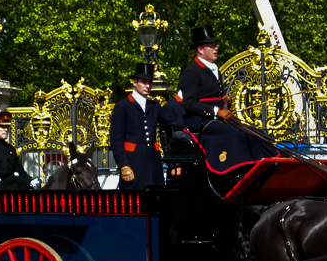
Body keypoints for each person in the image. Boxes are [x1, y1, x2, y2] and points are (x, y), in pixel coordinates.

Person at [179, 25, 279, 178]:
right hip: (200, 120)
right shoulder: (190, 72)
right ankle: (236, 174)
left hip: (217, 118)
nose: (215, 49)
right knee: (235, 134)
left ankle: (260, 168)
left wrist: (224, 102)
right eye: (211, 46)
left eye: (215, 46)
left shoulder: (215, 69)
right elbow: (189, 103)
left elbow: (211, 95)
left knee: (256, 132)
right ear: (200, 49)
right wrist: (218, 111)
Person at [110, 63, 164, 190]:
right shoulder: (123, 106)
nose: (147, 86)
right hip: (133, 163)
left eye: (150, 82)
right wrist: (123, 165)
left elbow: (169, 121)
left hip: (153, 164)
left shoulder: (154, 106)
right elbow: (116, 139)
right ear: (135, 82)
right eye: (144, 82)